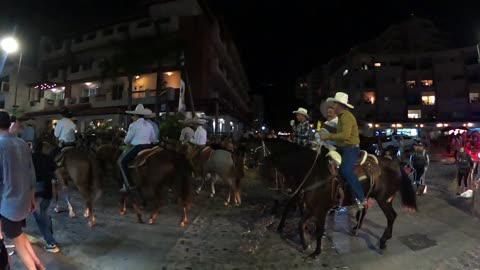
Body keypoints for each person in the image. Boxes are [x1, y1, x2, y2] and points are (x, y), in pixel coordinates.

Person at [0, 111, 45, 270]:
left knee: (18, 242)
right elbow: (31, 174)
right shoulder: (23, 144)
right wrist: (31, 198)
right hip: (22, 202)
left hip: (7, 205)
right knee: (20, 237)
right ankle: (39, 265)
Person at [320, 92, 367, 209]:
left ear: (339, 105)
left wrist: (327, 136)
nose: (333, 106)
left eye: (334, 103)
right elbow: (339, 132)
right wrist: (326, 128)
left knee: (346, 170)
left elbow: (345, 135)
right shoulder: (342, 117)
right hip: (342, 147)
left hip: (350, 149)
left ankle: (361, 198)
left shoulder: (346, 116)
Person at [117, 104, 156, 192]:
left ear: (136, 116)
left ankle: (128, 184)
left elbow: (127, 140)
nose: (132, 117)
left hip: (138, 147)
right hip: (149, 147)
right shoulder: (149, 125)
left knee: (121, 162)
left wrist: (126, 141)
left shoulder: (133, 125)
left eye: (133, 116)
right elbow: (153, 138)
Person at [31, 141, 60, 253]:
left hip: (38, 189)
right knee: (45, 213)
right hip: (48, 189)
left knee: (39, 216)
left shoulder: (30, 158)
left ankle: (51, 243)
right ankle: (49, 236)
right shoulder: (48, 158)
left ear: (32, 147)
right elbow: (56, 172)